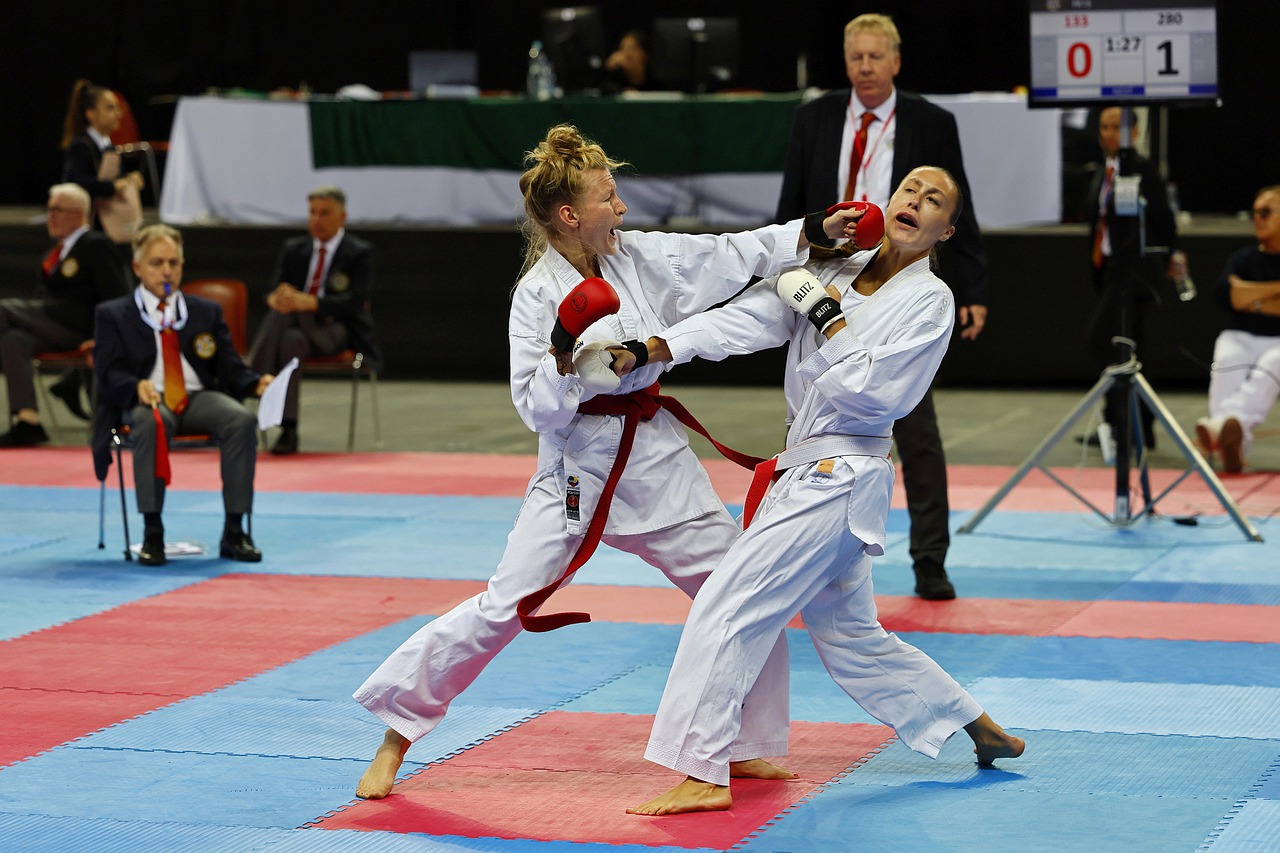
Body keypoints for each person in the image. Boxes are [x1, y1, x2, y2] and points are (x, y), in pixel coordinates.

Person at [350, 123, 865, 801]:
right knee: (504, 605)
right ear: (570, 215)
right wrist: (564, 355)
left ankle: (742, 744)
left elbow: (723, 253)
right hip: (577, 469)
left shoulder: (635, 255)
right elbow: (537, 409)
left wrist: (808, 232)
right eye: (607, 198)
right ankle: (396, 734)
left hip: (654, 458)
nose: (620, 207)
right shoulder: (537, 295)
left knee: (739, 589)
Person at [629, 166, 1024, 817]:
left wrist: (830, 320)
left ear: (945, 231)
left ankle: (702, 770)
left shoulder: (930, 302)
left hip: (842, 478)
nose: (916, 202)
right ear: (889, 200)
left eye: (934, 201)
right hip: (808, 473)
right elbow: (745, 322)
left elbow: (879, 394)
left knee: (727, 603)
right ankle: (978, 725)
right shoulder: (834, 267)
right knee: (851, 636)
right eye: (910, 190)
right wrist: (658, 346)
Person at [774, 13, 989, 601]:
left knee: (914, 427)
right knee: (808, 412)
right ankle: (802, 541)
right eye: (856, 58)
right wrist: (783, 264)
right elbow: (793, 206)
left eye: (876, 57)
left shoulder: (930, 122)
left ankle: (930, 559)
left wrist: (974, 289)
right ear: (846, 62)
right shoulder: (814, 118)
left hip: (899, 280)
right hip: (836, 274)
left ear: (895, 61)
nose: (865, 68)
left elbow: (958, 210)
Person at [92, 225, 273, 566]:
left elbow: (229, 366)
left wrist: (255, 383)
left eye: (173, 263)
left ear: (182, 265)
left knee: (241, 420)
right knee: (151, 422)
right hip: (147, 400)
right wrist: (135, 386)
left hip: (196, 396)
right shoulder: (114, 314)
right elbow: (109, 372)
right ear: (138, 268)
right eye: (157, 263)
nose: (166, 271)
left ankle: (235, 530)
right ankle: (152, 530)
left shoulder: (205, 311)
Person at [1082, 105, 1185, 453]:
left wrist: (1168, 257)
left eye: (1117, 126)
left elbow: (1165, 224)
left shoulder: (1143, 171)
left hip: (1136, 274)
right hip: (1110, 270)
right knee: (1126, 348)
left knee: (1102, 342)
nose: (1110, 133)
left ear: (1135, 132)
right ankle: (1132, 428)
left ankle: (1123, 423)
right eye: (1104, 126)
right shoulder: (1103, 171)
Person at [248, 186, 380, 455]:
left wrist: (310, 303)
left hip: (338, 331)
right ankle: (289, 429)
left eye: (324, 213)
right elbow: (275, 290)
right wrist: (277, 299)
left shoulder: (358, 252)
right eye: (312, 213)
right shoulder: (294, 249)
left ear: (342, 217)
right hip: (298, 331)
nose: (316, 219)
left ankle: (251, 377)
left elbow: (355, 303)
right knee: (291, 340)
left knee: (289, 313)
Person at [0, 184, 128, 446]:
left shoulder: (96, 244)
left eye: (57, 210)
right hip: (50, 328)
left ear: (79, 214)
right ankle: (28, 421)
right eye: (49, 210)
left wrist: (101, 337)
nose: (51, 216)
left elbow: (117, 295)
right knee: (13, 340)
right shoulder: (52, 255)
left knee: (4, 311)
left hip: (79, 331)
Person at [1194, 185, 1280, 473]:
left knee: (1272, 366)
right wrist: (1274, 292)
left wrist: (1250, 296)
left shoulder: (1243, 266)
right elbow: (1227, 296)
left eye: (1265, 212)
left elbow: (1241, 297)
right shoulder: (1244, 258)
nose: (1257, 218)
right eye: (1254, 212)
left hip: (1278, 340)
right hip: (1239, 335)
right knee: (1227, 361)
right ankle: (1233, 442)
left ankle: (1220, 430)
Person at [60, 79, 146, 242]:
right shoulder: (81, 145)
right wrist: (112, 187)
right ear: (91, 114)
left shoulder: (109, 146)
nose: (119, 114)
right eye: (110, 108)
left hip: (109, 225)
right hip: (89, 228)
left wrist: (129, 180)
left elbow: (113, 179)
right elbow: (74, 183)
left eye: (117, 108)